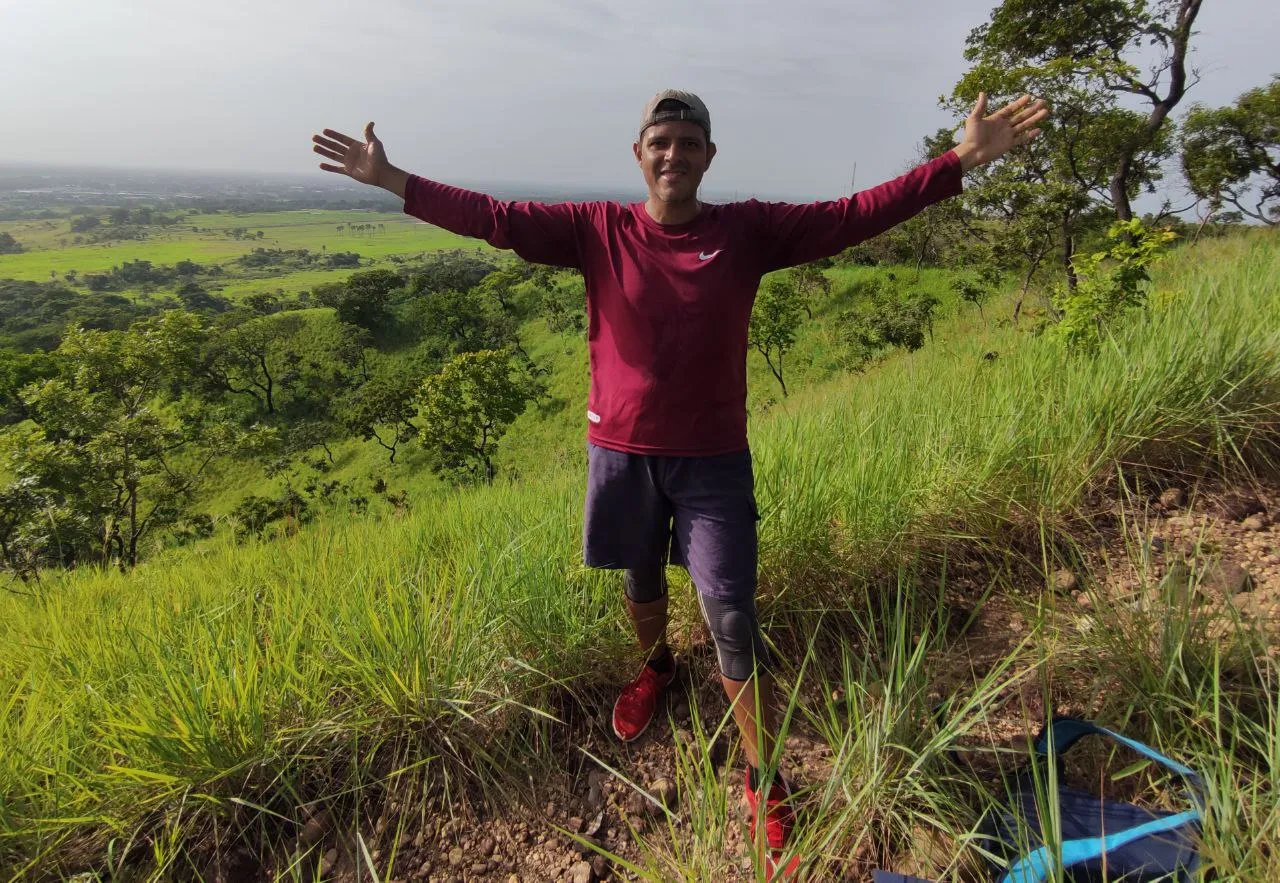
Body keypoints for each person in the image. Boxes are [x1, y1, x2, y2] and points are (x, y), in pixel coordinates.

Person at [311, 88, 1046, 879]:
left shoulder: (747, 230)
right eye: (660, 140)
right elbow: (493, 217)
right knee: (638, 578)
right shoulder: (597, 229)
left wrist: (958, 162)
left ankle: (765, 776)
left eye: (689, 142)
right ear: (639, 154)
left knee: (732, 611)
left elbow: (853, 214)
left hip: (713, 461)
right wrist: (394, 181)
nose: (673, 154)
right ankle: (658, 666)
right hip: (621, 452)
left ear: (708, 157)